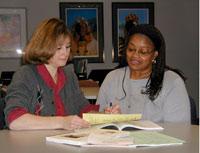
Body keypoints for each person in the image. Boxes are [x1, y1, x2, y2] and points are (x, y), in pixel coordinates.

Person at [4, 18, 99, 130]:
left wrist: (105, 115)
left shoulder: (69, 75)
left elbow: (84, 108)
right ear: (44, 46)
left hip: (66, 142)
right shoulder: (26, 74)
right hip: (35, 145)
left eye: (67, 47)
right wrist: (62, 122)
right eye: (58, 48)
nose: (65, 52)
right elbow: (14, 120)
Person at [97, 24, 191, 123]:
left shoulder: (172, 82)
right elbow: (97, 119)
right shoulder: (112, 78)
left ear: (154, 55)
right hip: (116, 138)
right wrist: (106, 117)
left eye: (143, 52)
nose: (135, 55)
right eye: (131, 49)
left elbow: (179, 129)